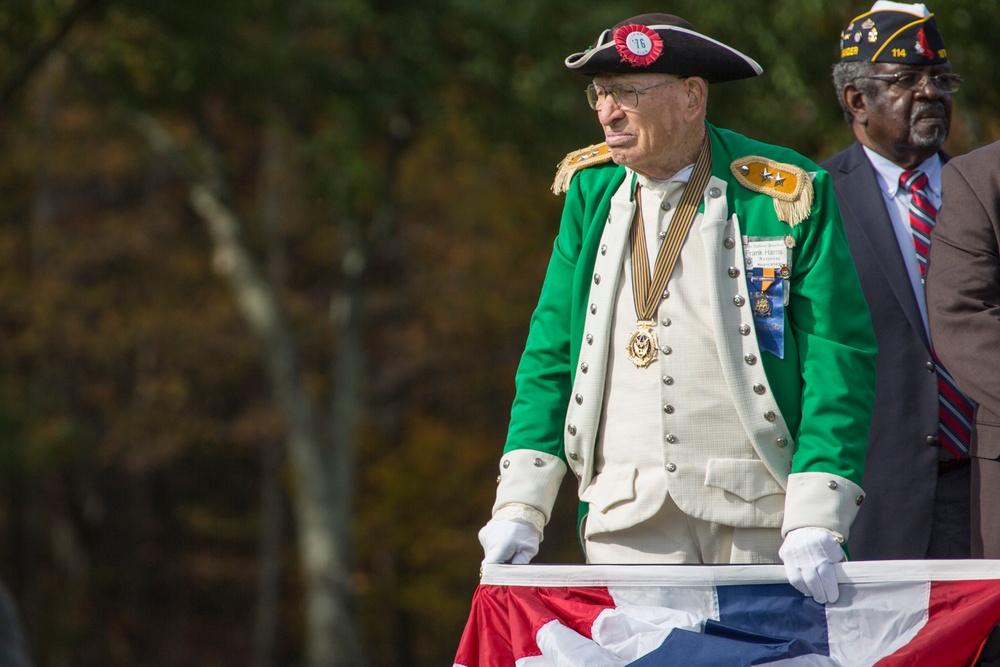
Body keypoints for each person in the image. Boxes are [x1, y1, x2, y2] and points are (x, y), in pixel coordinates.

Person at [477, 13, 877, 605]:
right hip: (625, 518)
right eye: (601, 93)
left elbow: (837, 356)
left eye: (628, 94)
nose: (608, 112)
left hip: (759, 517)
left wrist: (818, 510)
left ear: (692, 98)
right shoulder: (591, 190)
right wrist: (522, 502)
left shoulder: (783, 190)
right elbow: (551, 351)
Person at [819, 1, 972, 560]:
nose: (931, 92)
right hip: (869, 501)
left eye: (940, 78)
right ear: (857, 100)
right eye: (907, 79)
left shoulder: (982, 189)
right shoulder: (810, 202)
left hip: (983, 490)